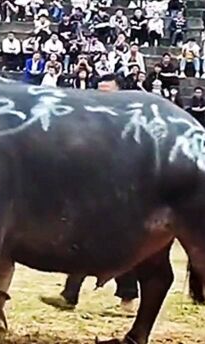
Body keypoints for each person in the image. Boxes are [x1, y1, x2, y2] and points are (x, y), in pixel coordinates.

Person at [40, 73, 140, 315]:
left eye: (107, 91)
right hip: (91, 193)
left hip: (123, 193)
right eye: (98, 90)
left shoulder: (131, 119)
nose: (101, 96)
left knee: (120, 247)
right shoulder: (88, 119)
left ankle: (128, 299)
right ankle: (69, 294)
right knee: (82, 242)